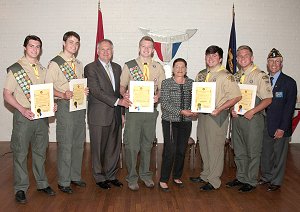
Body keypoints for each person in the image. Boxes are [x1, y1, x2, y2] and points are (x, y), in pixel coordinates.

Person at [3, 35, 56, 203]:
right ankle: (20, 188)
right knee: (20, 153)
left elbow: (46, 93)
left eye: (38, 46)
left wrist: (51, 105)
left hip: (41, 117)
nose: (35, 49)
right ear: (25, 47)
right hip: (24, 117)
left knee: (40, 152)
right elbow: (6, 94)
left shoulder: (42, 69)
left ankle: (42, 183)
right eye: (31, 46)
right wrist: (22, 109)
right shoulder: (17, 69)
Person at [189, 45, 242, 191]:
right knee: (204, 147)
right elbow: (196, 95)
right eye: (208, 56)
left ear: (220, 58)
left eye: (214, 56)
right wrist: (194, 109)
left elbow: (237, 96)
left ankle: (214, 181)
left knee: (215, 149)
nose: (210, 58)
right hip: (203, 116)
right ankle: (205, 175)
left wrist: (220, 109)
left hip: (217, 117)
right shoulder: (201, 74)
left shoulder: (226, 76)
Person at [120, 36, 166, 191]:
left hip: (150, 111)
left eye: (149, 47)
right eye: (143, 46)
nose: (146, 49)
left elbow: (161, 88)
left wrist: (157, 96)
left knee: (147, 144)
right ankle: (132, 177)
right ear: (139, 48)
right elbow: (121, 86)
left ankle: (146, 175)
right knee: (132, 145)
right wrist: (124, 94)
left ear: (153, 50)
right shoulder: (129, 65)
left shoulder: (158, 67)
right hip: (133, 111)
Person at [84, 39, 131, 190]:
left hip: (116, 114)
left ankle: (111, 175)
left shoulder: (117, 68)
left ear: (112, 51)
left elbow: (120, 92)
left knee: (114, 147)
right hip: (99, 115)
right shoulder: (90, 68)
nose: (106, 52)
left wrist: (122, 112)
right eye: (102, 49)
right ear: (97, 51)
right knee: (98, 148)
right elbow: (96, 91)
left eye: (108, 49)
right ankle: (99, 177)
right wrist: (119, 102)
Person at [45, 31, 88, 194]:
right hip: (64, 106)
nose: (74, 46)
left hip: (78, 106)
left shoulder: (78, 63)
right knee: (66, 144)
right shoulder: (55, 63)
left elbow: (77, 84)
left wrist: (84, 91)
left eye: (77, 43)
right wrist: (62, 94)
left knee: (78, 143)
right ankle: (63, 181)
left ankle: (75, 176)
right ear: (64, 43)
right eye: (71, 42)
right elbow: (47, 87)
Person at [226, 45, 273, 192]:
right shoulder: (236, 76)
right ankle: (241, 177)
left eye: (245, 55)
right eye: (239, 56)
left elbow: (268, 99)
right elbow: (232, 98)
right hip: (237, 118)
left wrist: (253, 111)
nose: (242, 58)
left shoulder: (260, 75)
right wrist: (232, 109)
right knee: (239, 150)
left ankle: (251, 180)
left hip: (253, 119)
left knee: (253, 151)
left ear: (252, 58)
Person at [259, 48, 297, 191]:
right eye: (271, 61)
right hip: (265, 123)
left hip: (280, 125)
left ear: (281, 64)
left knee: (279, 156)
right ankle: (266, 176)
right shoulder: (264, 80)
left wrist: (282, 128)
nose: (273, 64)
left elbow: (289, 108)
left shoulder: (289, 82)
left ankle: (276, 181)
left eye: (277, 61)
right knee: (266, 153)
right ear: (267, 64)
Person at [158, 58, 195, 192]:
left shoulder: (192, 83)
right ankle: (163, 179)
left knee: (181, 150)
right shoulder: (166, 83)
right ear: (173, 69)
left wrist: (195, 110)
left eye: (182, 67)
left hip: (186, 122)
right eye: (177, 67)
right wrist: (181, 111)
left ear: (186, 69)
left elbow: (195, 100)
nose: (180, 69)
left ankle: (177, 176)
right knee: (170, 150)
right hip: (170, 121)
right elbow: (165, 104)